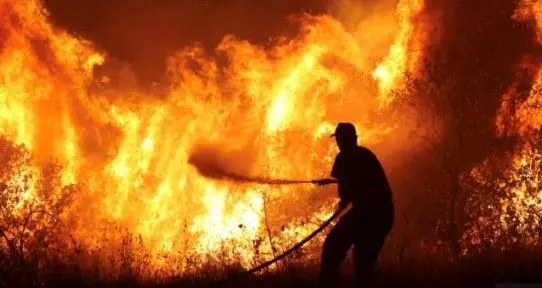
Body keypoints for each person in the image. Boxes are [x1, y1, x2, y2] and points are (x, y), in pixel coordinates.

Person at [313, 122, 394, 288]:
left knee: (333, 248)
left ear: (350, 139)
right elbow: (354, 183)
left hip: (369, 214)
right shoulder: (365, 154)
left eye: (341, 139)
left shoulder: (344, 157)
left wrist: (343, 195)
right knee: (364, 264)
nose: (339, 142)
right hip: (383, 214)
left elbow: (347, 192)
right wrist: (333, 182)